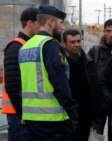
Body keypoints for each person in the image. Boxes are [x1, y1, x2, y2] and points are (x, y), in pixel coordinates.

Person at [18, 5, 78, 141]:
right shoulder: (49, 45)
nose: (62, 28)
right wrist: (72, 112)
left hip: (31, 119)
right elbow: (59, 82)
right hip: (53, 120)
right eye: (61, 23)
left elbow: (22, 84)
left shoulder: (26, 46)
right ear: (51, 22)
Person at [1, 7, 40, 141]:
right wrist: (22, 113)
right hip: (17, 115)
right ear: (30, 23)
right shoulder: (16, 46)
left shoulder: (28, 45)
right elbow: (12, 85)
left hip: (24, 113)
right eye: (39, 22)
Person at [62, 29, 98, 141]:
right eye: (72, 42)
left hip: (84, 116)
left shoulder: (88, 62)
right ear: (64, 44)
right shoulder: (60, 63)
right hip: (65, 115)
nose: (76, 45)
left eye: (78, 41)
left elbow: (94, 90)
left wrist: (94, 117)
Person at [87, 18, 112, 140]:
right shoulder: (95, 51)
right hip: (98, 104)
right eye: (108, 31)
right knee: (97, 136)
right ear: (104, 32)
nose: (111, 34)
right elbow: (87, 78)